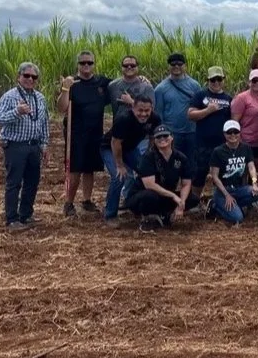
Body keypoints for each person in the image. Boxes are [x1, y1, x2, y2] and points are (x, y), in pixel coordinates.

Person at [0, 62, 50, 229]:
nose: (30, 79)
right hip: (15, 146)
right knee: (14, 183)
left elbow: (44, 123)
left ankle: (26, 214)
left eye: (34, 77)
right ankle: (12, 219)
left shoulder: (40, 98)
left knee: (32, 182)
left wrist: (44, 145)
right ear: (19, 77)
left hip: (33, 146)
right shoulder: (10, 96)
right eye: (26, 76)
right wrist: (16, 112)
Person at [58, 51, 111, 217]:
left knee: (90, 170)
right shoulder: (72, 83)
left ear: (94, 64)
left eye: (89, 63)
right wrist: (65, 88)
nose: (86, 66)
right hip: (76, 135)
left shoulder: (102, 83)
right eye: (82, 63)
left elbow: (122, 85)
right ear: (78, 65)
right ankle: (69, 203)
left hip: (95, 133)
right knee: (75, 171)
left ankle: (87, 200)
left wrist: (141, 80)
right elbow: (62, 108)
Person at [101, 96, 162, 226]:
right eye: (140, 110)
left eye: (147, 111)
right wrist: (120, 165)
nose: (143, 114)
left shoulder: (155, 119)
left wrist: (147, 157)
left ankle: (133, 203)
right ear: (133, 108)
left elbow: (153, 138)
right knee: (119, 177)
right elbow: (115, 142)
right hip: (110, 148)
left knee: (147, 172)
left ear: (151, 109)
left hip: (130, 149)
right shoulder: (123, 119)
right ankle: (110, 214)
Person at [126, 125, 195, 229]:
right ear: (154, 140)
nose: (162, 139)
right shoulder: (148, 157)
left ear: (172, 137)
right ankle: (148, 218)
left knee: (193, 198)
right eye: (158, 137)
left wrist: (181, 203)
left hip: (165, 194)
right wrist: (173, 196)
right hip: (142, 195)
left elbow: (186, 183)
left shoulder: (180, 158)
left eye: (165, 135)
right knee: (149, 196)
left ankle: (165, 214)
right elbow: (150, 185)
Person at [187, 66, 233, 200]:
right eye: (213, 80)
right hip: (203, 144)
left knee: (222, 174)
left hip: (222, 145)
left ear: (223, 80)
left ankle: (218, 200)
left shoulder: (228, 98)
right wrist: (208, 110)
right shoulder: (201, 95)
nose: (216, 82)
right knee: (199, 174)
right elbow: (190, 114)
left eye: (219, 79)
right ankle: (195, 201)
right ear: (208, 80)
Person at [208, 120, 258, 225]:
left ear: (240, 132)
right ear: (224, 134)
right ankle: (216, 206)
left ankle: (232, 206)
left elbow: (251, 167)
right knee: (238, 218)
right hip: (223, 190)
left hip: (239, 188)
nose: (233, 135)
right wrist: (227, 195)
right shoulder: (218, 151)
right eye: (229, 132)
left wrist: (255, 184)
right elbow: (214, 176)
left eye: (235, 132)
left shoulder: (246, 148)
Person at [231, 69, 258, 198]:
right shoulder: (241, 98)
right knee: (244, 171)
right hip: (245, 141)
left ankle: (256, 195)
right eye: (254, 81)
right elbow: (234, 121)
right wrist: (235, 141)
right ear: (249, 82)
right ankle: (243, 195)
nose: (257, 83)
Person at [154, 52, 201, 163]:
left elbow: (199, 108)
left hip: (192, 131)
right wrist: (163, 135)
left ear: (185, 66)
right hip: (173, 133)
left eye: (179, 64)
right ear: (168, 66)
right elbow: (158, 113)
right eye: (173, 64)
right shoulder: (160, 88)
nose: (176, 66)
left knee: (192, 163)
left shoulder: (195, 85)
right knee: (174, 162)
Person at [108, 55, 154, 120]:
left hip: (140, 128)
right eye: (126, 65)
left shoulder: (146, 87)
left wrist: (132, 102)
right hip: (118, 127)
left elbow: (152, 110)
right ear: (121, 67)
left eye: (132, 65)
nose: (129, 67)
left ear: (138, 67)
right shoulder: (112, 86)